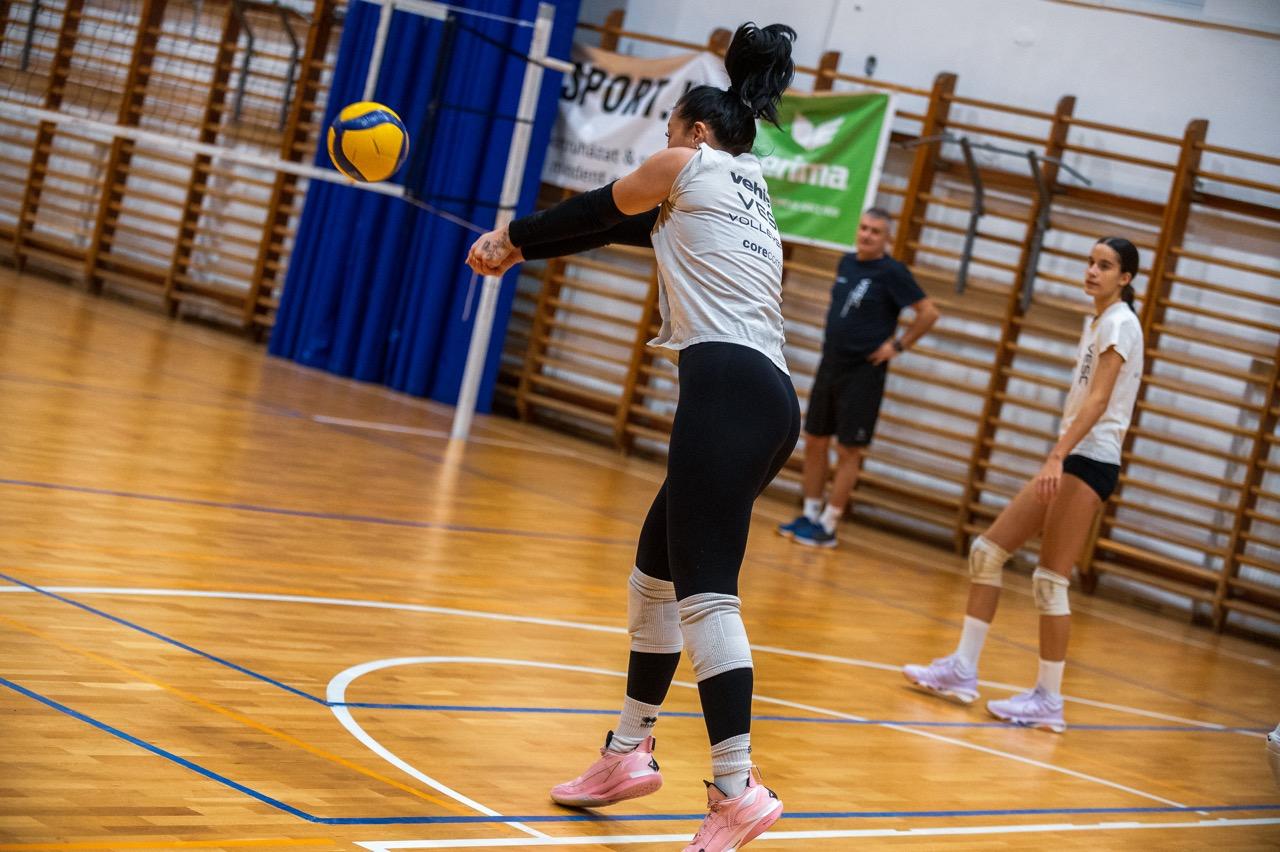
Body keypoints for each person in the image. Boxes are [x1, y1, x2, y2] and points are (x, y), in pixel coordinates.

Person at [467, 22, 798, 852]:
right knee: (656, 575)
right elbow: (613, 228)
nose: (660, 143)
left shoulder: (684, 166)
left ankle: (737, 790)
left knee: (708, 595)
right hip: (767, 400)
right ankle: (626, 752)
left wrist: (510, 239)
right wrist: (527, 253)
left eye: (668, 129)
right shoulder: (749, 187)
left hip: (725, 393)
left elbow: (594, 208)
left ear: (695, 132)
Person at [902, 237, 1145, 733]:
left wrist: (1057, 455)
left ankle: (1049, 700)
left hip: (1089, 459)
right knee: (987, 552)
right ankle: (962, 670)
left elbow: (1099, 401)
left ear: (1125, 278)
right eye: (1090, 262)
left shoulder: (1121, 322)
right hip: (1072, 455)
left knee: (1051, 581)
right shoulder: (1099, 320)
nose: (1092, 271)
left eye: (1105, 266)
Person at [778, 208, 939, 548]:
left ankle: (829, 525)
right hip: (831, 364)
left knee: (848, 449)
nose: (867, 235)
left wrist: (897, 346)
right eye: (864, 228)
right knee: (815, 439)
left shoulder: (892, 272)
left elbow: (928, 313)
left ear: (887, 238)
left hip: (863, 372)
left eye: (875, 231)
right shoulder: (847, 263)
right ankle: (810, 514)